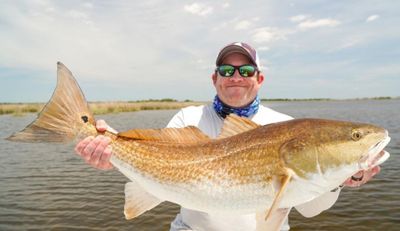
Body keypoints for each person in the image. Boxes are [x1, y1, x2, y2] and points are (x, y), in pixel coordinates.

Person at [74, 42, 381, 230]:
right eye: (226, 69)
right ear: (215, 78)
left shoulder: (285, 124)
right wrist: (109, 147)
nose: (236, 77)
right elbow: (152, 162)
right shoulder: (188, 118)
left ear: (259, 79)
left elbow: (311, 209)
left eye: (246, 70)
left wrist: (342, 178)